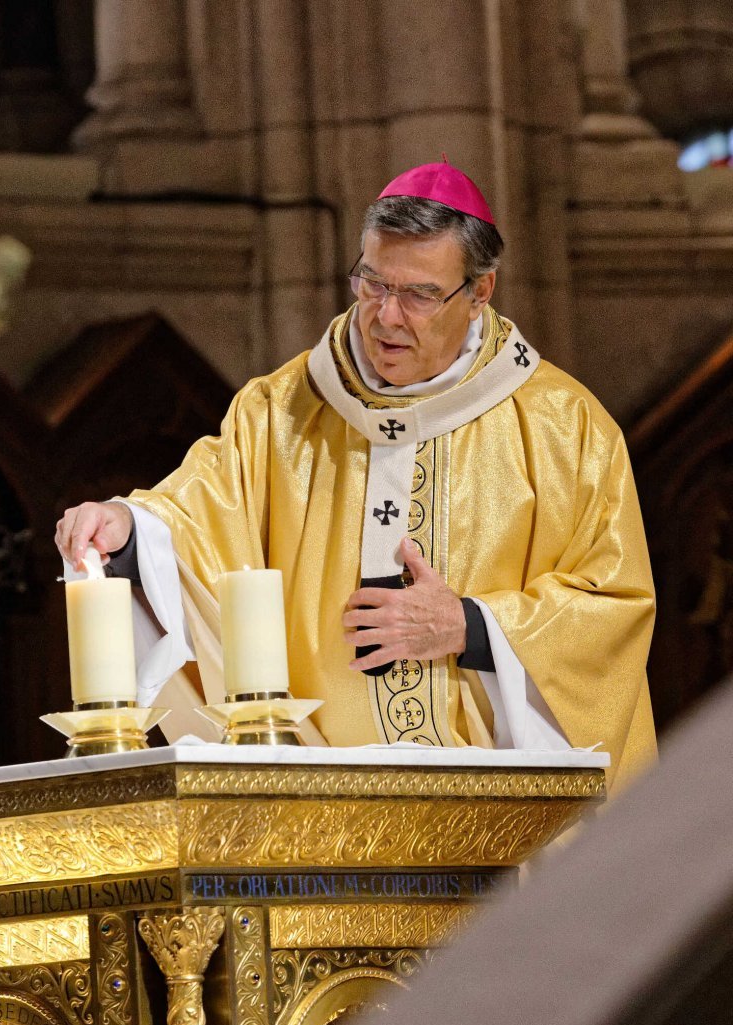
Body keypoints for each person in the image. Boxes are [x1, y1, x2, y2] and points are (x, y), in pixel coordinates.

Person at [55, 161, 656, 792]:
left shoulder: (565, 426)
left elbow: (612, 605)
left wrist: (470, 626)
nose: (387, 317)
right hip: (322, 802)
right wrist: (125, 527)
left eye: (420, 294)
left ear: (481, 291)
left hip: (502, 810)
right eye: (372, 284)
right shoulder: (282, 410)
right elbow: (200, 512)